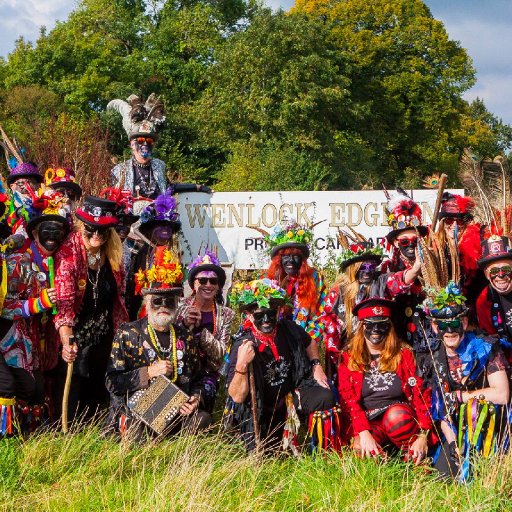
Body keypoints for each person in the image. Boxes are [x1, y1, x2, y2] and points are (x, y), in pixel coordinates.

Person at [106, 247, 212, 439]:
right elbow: (112, 382)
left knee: (203, 419)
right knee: (135, 429)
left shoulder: (185, 337)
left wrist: (195, 398)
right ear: (147, 302)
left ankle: (181, 462)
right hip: (138, 413)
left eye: (169, 301)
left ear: (177, 304)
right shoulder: (128, 333)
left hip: (176, 414)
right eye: (157, 301)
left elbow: (198, 378)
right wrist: (148, 372)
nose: (163, 306)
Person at [226, 279, 336, 453]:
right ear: (248, 315)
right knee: (266, 453)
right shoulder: (243, 345)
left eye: (270, 314)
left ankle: (322, 454)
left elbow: (310, 342)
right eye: (259, 316)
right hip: (262, 408)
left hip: (291, 394)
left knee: (325, 397)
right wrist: (242, 364)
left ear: (278, 311)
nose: (266, 320)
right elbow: (237, 397)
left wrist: (316, 365)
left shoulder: (288, 328)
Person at [418, 282, 510, 481]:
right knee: (443, 477)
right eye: (443, 325)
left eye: (454, 324)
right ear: (434, 327)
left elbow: (502, 394)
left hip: (492, 424)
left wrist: (463, 396)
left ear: (465, 323)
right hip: (457, 431)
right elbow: (442, 410)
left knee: (473, 408)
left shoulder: (486, 348)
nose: (449, 331)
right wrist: (453, 445)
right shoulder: (435, 359)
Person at [54, 196, 128, 424]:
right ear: (81, 227)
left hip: (104, 334)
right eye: (91, 230)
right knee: (74, 390)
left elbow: (119, 300)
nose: (96, 235)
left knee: (99, 390)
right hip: (77, 333)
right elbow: (64, 306)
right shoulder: (69, 254)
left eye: (103, 231)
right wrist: (67, 341)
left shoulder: (113, 255)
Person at [0, 196, 70, 433]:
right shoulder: (18, 263)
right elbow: (4, 307)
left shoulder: (63, 261)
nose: (52, 236)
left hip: (43, 337)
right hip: (14, 338)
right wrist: (36, 304)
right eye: (46, 229)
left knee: (39, 389)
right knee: (24, 387)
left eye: (58, 230)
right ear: (35, 232)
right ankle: (10, 438)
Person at [337, 298, 434, 463]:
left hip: (400, 417)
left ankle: (415, 461)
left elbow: (420, 393)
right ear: (362, 327)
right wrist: (363, 432)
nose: (376, 330)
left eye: (382, 324)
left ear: (389, 327)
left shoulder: (404, 354)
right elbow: (349, 401)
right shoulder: (348, 357)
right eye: (370, 325)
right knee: (360, 451)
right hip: (369, 420)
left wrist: (423, 434)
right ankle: (385, 464)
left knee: (396, 417)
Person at [263, 221, 329, 388]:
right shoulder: (269, 282)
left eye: (296, 256)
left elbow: (321, 316)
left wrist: (306, 342)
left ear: (303, 259)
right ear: (279, 260)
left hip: (305, 345)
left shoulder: (315, 279)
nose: (291, 260)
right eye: (286, 256)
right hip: (274, 345)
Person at [107, 93, 211, 199]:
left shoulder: (159, 166)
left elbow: (170, 188)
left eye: (149, 141)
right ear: (132, 144)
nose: (145, 144)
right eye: (141, 140)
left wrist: (197, 187)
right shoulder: (119, 170)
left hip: (156, 214)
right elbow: (114, 200)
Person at [177, 249, 235, 413]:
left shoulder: (226, 314)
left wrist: (201, 331)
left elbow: (221, 353)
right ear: (194, 284)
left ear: (218, 286)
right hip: (180, 368)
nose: (208, 285)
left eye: (213, 281)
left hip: (207, 373)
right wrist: (184, 326)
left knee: (200, 403)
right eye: (203, 280)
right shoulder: (180, 308)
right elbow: (169, 341)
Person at [321, 230, 386, 366]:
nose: (367, 271)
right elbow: (326, 319)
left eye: (371, 266)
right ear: (353, 269)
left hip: (375, 349)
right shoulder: (339, 291)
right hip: (345, 353)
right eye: (363, 267)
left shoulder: (378, 286)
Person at [125, 188, 182, 320]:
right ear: (150, 230)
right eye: (160, 227)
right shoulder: (141, 253)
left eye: (168, 228)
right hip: (142, 314)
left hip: (167, 312)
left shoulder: (173, 255)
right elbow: (132, 290)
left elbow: (178, 288)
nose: (165, 232)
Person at [381, 190, 428, 344]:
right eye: (404, 241)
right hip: (398, 338)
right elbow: (390, 286)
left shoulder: (435, 265)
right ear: (395, 242)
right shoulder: (388, 267)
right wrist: (415, 269)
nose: (410, 245)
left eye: (415, 240)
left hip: (429, 335)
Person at [476, 235, 512, 361]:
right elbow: (491, 337)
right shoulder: (484, 300)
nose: (500, 275)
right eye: (494, 271)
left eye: (506, 269)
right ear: (486, 274)